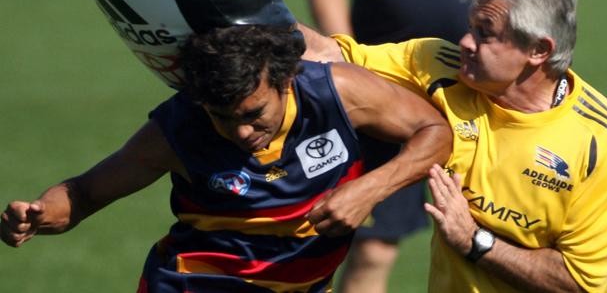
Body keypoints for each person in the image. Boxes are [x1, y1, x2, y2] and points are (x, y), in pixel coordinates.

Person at [0, 25, 451, 292]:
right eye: (223, 118)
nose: (241, 132)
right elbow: (83, 193)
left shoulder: (340, 92)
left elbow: (435, 131)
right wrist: (40, 214)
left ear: (285, 81)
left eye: (254, 115)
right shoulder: (179, 129)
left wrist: (369, 189)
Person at [302, 0, 607, 292]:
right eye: (471, 28)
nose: (465, 42)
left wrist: (474, 240)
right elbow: (328, 55)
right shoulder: (440, 66)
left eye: (485, 34)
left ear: (538, 50)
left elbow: (579, 284)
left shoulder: (603, 145)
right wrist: (254, 5)